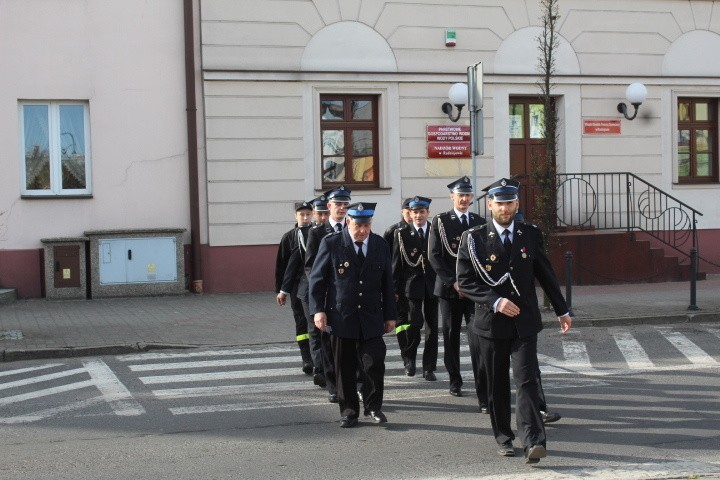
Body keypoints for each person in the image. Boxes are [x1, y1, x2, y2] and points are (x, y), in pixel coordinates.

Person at [456, 177, 572, 464]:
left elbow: (544, 272)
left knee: (527, 381)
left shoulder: (529, 233)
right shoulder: (473, 238)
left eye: (510, 203)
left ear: (517, 204)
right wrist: (495, 300)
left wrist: (562, 309)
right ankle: (503, 437)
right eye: (500, 203)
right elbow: (465, 282)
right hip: (491, 325)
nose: (505, 208)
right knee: (496, 385)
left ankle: (533, 440)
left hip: (524, 323)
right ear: (490, 205)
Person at [309, 202, 397, 428]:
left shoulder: (379, 244)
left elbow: (388, 283)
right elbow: (318, 281)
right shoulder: (332, 243)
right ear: (348, 222)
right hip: (341, 316)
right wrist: (318, 310)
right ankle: (349, 412)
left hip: (371, 316)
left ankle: (374, 407)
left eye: (366, 225)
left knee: (373, 364)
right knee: (344, 367)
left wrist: (390, 315)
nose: (362, 230)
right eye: (358, 225)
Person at [427, 176, 487, 404]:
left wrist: (472, 284)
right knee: (451, 335)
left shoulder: (479, 221)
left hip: (473, 291)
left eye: (467, 195)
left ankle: (483, 384)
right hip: (449, 290)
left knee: (477, 337)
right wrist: (453, 281)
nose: (463, 199)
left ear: (471, 197)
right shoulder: (441, 221)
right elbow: (434, 256)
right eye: (460, 195)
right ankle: (455, 380)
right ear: (452, 196)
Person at [304, 186, 352, 403]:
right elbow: (310, 267)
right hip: (327, 297)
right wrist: (318, 301)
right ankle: (333, 386)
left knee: (352, 343)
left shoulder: (353, 227)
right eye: (338, 204)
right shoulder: (316, 232)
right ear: (329, 206)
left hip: (349, 296)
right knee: (328, 344)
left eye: (345, 204)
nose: (342, 208)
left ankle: (354, 384)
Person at [392, 196, 438, 380]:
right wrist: (394, 289)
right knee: (414, 323)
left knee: (432, 327)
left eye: (422, 212)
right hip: (412, 286)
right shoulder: (401, 234)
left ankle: (429, 367)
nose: (418, 215)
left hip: (433, 285)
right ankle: (409, 358)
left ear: (427, 213)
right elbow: (396, 264)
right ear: (409, 214)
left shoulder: (435, 232)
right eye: (415, 212)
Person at [275, 200, 314, 375]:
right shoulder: (289, 237)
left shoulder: (316, 233)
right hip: (296, 285)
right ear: (296, 216)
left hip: (313, 284)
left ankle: (316, 357)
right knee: (301, 321)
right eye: (302, 215)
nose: (305, 218)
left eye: (308, 214)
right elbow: (281, 266)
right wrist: (281, 290)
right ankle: (306, 358)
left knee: (314, 322)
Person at [383, 198, 413, 365]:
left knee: (416, 320)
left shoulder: (425, 229)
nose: (410, 215)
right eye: (407, 211)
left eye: (413, 211)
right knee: (402, 321)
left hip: (417, 283)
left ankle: (411, 354)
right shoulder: (393, 231)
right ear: (402, 212)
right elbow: (385, 260)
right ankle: (407, 356)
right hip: (399, 283)